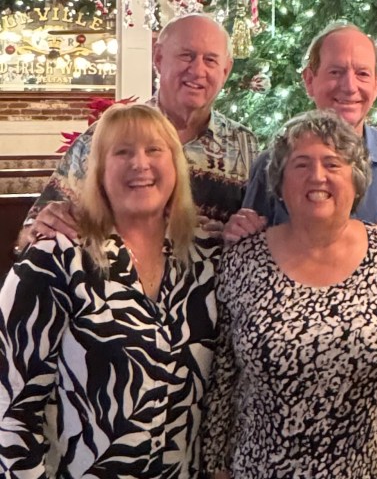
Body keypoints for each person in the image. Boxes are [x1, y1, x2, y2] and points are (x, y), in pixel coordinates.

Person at [203, 109, 377, 479]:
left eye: (332, 164)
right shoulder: (244, 259)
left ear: (356, 179)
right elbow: (222, 381)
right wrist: (216, 469)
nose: (317, 176)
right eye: (301, 164)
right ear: (280, 183)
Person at [0, 103, 219, 479]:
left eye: (154, 150)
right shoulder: (55, 257)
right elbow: (10, 406)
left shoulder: (204, 257)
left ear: (176, 166)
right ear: (98, 170)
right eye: (122, 152)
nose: (140, 164)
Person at [19, 13, 256, 248]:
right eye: (187, 55)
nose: (197, 70)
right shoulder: (107, 136)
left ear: (225, 71)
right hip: (116, 271)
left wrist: (244, 230)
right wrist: (42, 227)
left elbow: (262, 238)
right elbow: (29, 236)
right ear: (158, 58)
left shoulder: (243, 144)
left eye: (211, 60)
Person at [230, 22, 377, 254]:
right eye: (335, 72)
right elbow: (248, 252)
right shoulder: (273, 164)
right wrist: (240, 233)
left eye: (362, 74)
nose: (350, 87)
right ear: (309, 80)